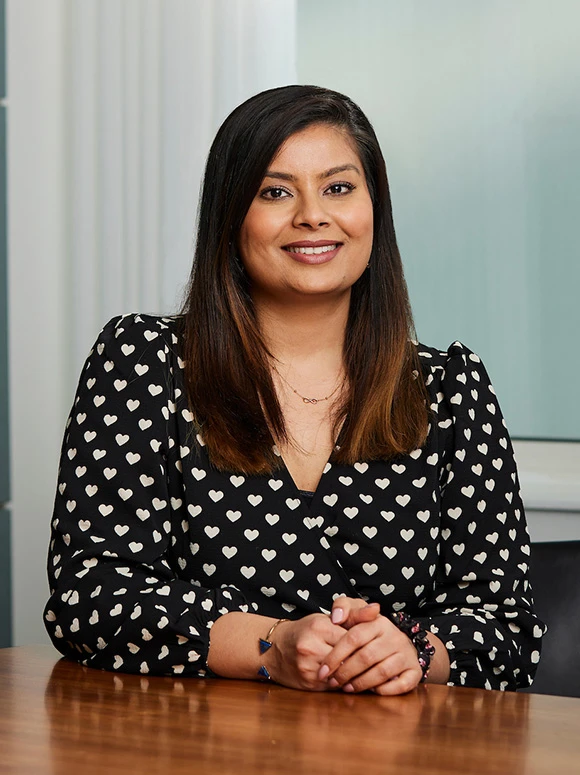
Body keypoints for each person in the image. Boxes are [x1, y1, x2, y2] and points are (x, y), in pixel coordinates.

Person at [44, 85, 545, 694]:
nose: (313, 214)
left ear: (373, 211)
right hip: (196, 750)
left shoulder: (450, 389)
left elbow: (507, 630)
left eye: (339, 187)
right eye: (275, 192)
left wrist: (410, 652)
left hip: (397, 751)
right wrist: (271, 645)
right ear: (232, 216)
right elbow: (89, 594)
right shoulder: (143, 363)